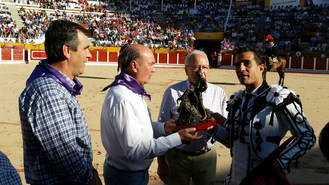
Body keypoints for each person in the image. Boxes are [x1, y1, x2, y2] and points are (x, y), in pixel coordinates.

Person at [212, 47, 316, 185]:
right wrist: (210, 126)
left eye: (246, 63)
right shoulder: (237, 100)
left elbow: (307, 135)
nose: (241, 69)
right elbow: (234, 141)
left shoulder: (278, 97)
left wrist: (280, 162)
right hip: (234, 180)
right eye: (237, 65)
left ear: (261, 68)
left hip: (264, 180)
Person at [100, 44, 201, 185]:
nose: (154, 69)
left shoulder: (129, 91)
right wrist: (177, 138)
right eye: (151, 64)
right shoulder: (124, 97)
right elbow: (135, 151)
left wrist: (163, 128)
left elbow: (139, 128)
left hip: (128, 173)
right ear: (134, 66)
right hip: (127, 177)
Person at [19, 20, 102, 185]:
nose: (89, 55)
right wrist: (91, 178)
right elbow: (68, 160)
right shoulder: (48, 92)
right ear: (67, 51)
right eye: (85, 48)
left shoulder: (54, 87)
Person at [157, 50, 228, 185]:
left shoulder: (218, 93)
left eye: (204, 67)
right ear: (186, 70)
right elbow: (162, 128)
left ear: (209, 69)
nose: (200, 71)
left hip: (207, 156)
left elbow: (227, 127)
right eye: (194, 67)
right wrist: (161, 163)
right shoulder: (172, 91)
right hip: (177, 156)